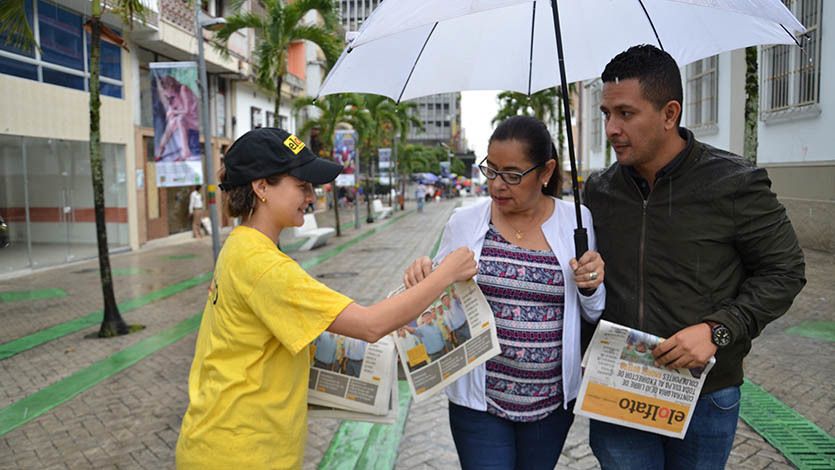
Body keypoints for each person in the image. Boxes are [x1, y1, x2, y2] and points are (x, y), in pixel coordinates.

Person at [175, 127, 477, 469]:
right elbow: (370, 325)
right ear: (261, 187)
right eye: (301, 185)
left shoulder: (242, 246)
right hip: (241, 453)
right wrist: (445, 274)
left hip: (229, 443)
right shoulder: (263, 265)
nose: (312, 196)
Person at [582, 44, 806, 470]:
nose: (611, 128)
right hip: (619, 387)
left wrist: (717, 330)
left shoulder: (735, 183)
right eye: (606, 114)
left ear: (669, 114)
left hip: (704, 392)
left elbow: (785, 271)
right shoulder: (600, 191)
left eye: (625, 114)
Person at [403, 115, 606, 469]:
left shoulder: (577, 221)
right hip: (480, 404)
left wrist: (591, 285)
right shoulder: (464, 223)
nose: (498, 185)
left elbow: (591, 311)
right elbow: (432, 299)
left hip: (551, 405)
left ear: (546, 171)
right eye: (491, 170)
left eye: (513, 175)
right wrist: (421, 274)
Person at [154, 75, 200, 162]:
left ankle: (185, 151)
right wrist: (170, 112)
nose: (166, 94)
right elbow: (174, 108)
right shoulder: (172, 96)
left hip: (193, 118)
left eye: (166, 90)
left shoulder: (183, 89)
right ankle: (160, 149)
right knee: (172, 122)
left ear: (170, 86)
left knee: (179, 119)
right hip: (183, 118)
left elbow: (187, 110)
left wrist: (173, 112)